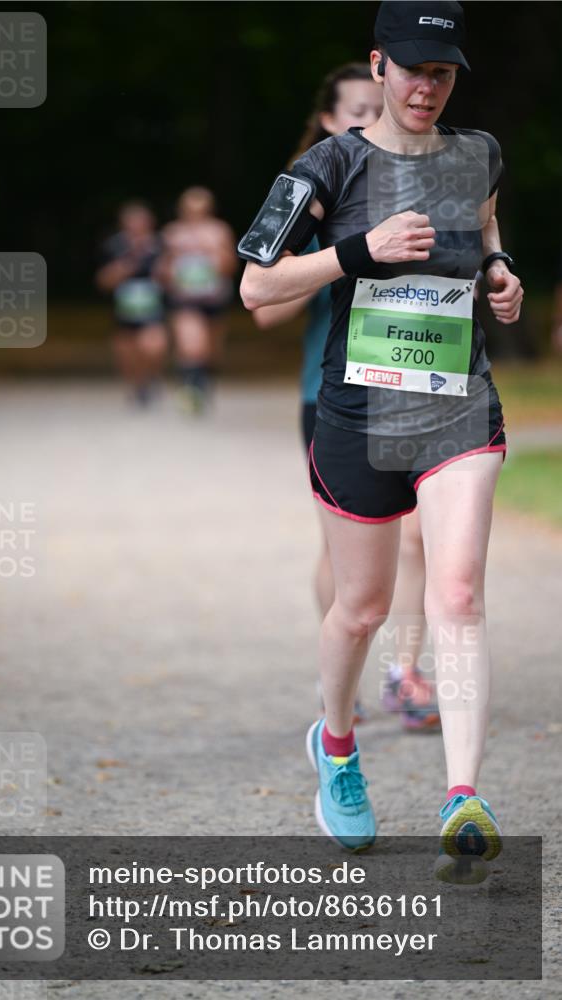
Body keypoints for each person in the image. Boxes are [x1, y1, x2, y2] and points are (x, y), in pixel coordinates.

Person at [240, 1, 523, 882]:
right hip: (357, 416)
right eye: (410, 69)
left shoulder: (478, 153)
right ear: (377, 66)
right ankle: (335, 744)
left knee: (457, 595)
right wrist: (358, 249)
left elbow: (483, 227)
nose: (425, 87)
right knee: (361, 610)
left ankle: (462, 795)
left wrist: (497, 271)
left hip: (456, 406)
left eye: (441, 72)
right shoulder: (327, 164)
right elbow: (255, 288)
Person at [252, 64, 439, 730]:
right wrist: (353, 251)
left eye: (374, 108)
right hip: (333, 395)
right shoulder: (317, 186)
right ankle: (342, 674)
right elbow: (262, 304)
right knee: (346, 551)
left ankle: (404, 673)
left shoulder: (428, 177)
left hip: (417, 385)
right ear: (330, 122)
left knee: (415, 539)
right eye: (355, 112)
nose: (370, 121)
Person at [159, 187, 237, 413]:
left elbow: (231, 266)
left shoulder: (219, 231)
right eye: (190, 209)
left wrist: (212, 251)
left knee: (211, 351)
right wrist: (172, 267)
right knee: (192, 345)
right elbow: (161, 269)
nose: (195, 214)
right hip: (185, 298)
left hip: (214, 298)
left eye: (201, 209)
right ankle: (190, 390)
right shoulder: (172, 233)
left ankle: (203, 384)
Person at [95, 201, 168, 405]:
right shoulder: (113, 246)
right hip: (123, 311)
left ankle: (152, 377)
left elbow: (172, 275)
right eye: (131, 222)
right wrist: (123, 268)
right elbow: (102, 281)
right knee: (128, 354)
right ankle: (138, 386)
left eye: (141, 222)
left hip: (153, 309)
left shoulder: (160, 245)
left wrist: (164, 274)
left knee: (154, 346)